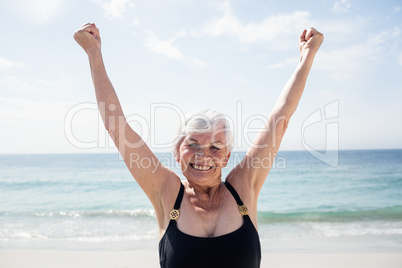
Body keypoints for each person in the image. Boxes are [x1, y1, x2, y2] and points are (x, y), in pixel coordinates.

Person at [73, 22, 323, 268]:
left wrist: (307, 56)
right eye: (193, 144)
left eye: (216, 147)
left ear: (226, 157)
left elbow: (280, 118)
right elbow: (118, 129)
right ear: (177, 151)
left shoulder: (244, 187)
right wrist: (94, 53)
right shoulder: (166, 191)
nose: (203, 155)